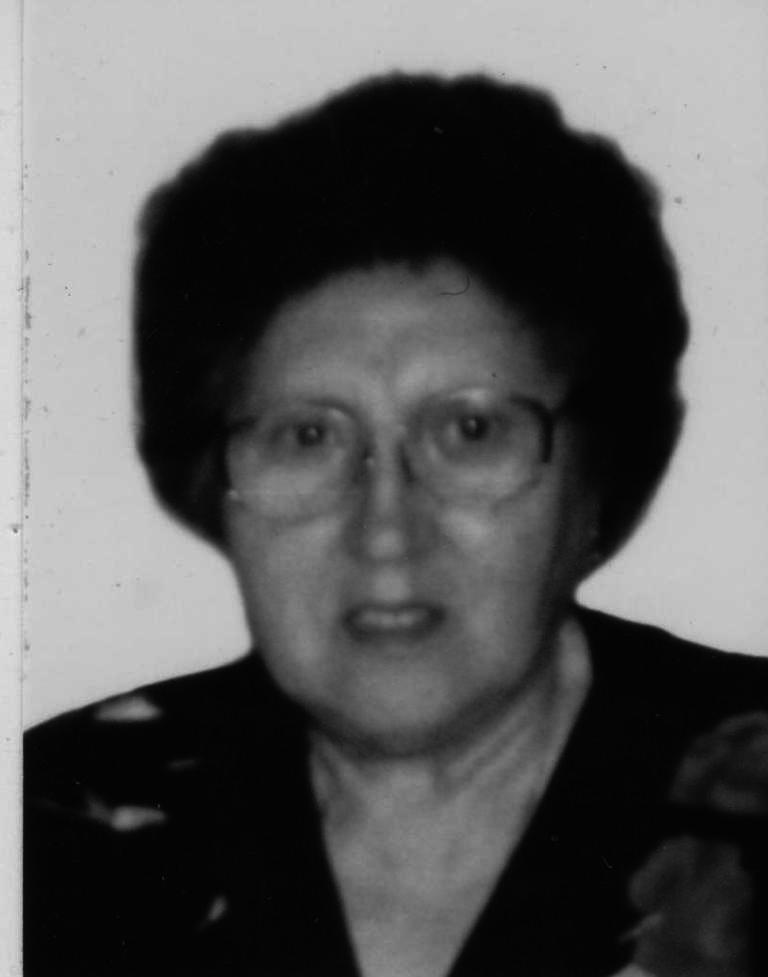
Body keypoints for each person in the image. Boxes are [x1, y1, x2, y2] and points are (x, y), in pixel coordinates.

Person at [24, 73, 768, 977]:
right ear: (213, 484)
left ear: (596, 476)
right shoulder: (51, 820)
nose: (385, 529)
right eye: (307, 436)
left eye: (471, 431)